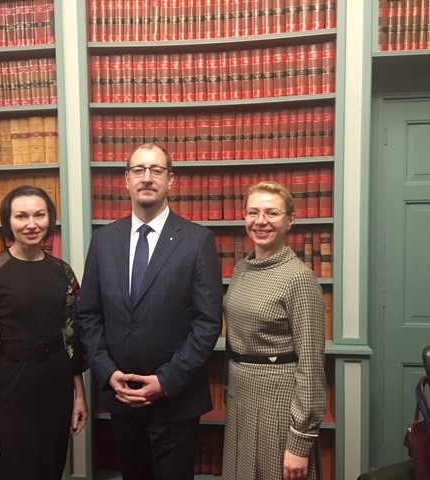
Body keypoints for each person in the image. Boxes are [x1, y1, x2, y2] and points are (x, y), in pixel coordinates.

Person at [76, 143, 223, 480]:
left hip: (175, 401)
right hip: (122, 398)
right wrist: (107, 373)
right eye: (139, 170)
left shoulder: (197, 240)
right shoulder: (103, 241)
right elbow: (88, 316)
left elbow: (207, 323)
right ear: (126, 180)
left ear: (170, 180)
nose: (147, 178)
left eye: (156, 170)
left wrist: (165, 381)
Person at [0, 185, 88, 480]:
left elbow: (72, 337)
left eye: (39, 215)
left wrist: (79, 396)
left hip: (56, 383)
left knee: (50, 468)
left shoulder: (63, 271)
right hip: (10, 384)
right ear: (8, 221)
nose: (32, 224)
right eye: (21, 216)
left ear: (50, 219)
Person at [222, 181, 326, 480]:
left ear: (290, 220)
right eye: (253, 212)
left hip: (278, 405)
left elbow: (311, 365)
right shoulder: (241, 269)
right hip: (241, 399)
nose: (261, 221)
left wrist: (300, 441)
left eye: (272, 213)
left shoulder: (299, 279)